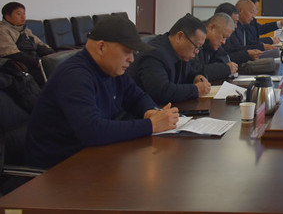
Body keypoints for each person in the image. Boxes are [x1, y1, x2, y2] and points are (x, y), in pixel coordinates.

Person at [24, 16, 179, 169]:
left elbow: (137, 96)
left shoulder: (111, 69)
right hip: (58, 168)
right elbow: (92, 131)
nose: (131, 59)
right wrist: (151, 125)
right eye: (127, 51)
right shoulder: (75, 76)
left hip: (92, 156)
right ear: (101, 47)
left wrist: (150, 111)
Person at [130, 14, 211, 105]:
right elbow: (161, 92)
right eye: (196, 46)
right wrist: (196, 89)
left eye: (199, 48)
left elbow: (189, 73)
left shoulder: (180, 52)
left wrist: (197, 77)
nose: (197, 52)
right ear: (180, 37)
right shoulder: (154, 54)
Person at [0, 2, 54, 85]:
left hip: (34, 60)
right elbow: (11, 53)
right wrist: (38, 62)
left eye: (24, 13)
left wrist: (52, 55)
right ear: (7, 17)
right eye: (18, 14)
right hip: (22, 66)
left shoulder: (24, 29)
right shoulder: (3, 30)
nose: (23, 17)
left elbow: (39, 44)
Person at [190, 13, 238, 81]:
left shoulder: (212, 44)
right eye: (223, 36)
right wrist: (225, 69)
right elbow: (195, 70)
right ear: (211, 28)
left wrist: (226, 67)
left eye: (226, 39)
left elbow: (225, 60)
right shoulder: (194, 39)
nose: (223, 42)